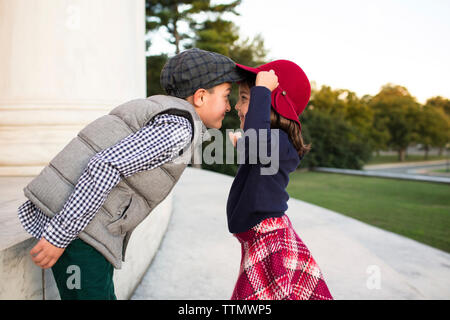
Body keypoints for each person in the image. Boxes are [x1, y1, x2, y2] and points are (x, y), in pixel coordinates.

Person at [18, 48, 245, 300]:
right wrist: (60, 235)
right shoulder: (179, 128)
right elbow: (105, 165)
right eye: (226, 96)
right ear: (201, 96)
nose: (230, 106)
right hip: (81, 237)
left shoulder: (162, 110)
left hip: (85, 231)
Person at [226, 60, 333, 300]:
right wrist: (239, 143)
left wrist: (261, 90)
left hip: (270, 240)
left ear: (272, 103)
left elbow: (256, 142)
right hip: (257, 239)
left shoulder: (281, 144)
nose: (236, 106)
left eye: (244, 98)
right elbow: (256, 147)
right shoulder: (270, 144)